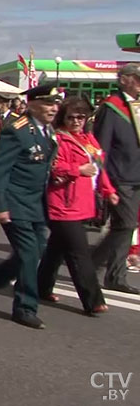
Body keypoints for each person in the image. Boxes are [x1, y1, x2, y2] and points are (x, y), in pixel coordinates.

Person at [0, 84, 60, 329]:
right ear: (32, 104)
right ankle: (25, 307)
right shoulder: (16, 131)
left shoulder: (46, 131)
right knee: (29, 252)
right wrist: (0, 206)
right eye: (48, 104)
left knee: (37, 248)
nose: (53, 108)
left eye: (55, 104)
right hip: (15, 202)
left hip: (36, 202)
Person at [38, 96, 117, 314]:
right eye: (71, 117)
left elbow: (99, 167)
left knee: (57, 249)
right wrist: (77, 170)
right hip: (62, 203)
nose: (76, 121)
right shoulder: (58, 139)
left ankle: (41, 286)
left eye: (80, 117)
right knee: (78, 253)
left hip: (81, 203)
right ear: (63, 118)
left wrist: (108, 191)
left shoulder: (89, 139)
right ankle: (93, 300)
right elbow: (54, 167)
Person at [91, 63, 140, 294]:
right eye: (137, 79)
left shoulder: (137, 106)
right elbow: (101, 147)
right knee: (126, 225)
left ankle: (91, 265)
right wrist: (105, 182)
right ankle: (113, 275)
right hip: (120, 176)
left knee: (125, 226)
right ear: (124, 80)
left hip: (136, 173)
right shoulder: (112, 107)